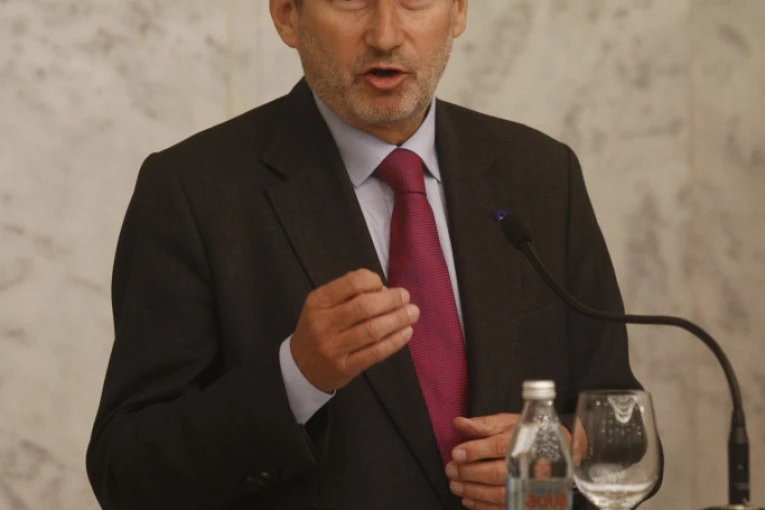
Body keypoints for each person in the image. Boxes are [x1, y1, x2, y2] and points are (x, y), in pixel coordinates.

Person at [86, 1, 652, 509]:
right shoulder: (192, 191)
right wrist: (295, 377)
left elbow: (625, 429)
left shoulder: (543, 174)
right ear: (287, 15)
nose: (385, 34)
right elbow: (125, 474)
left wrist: (562, 455)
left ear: (458, 11)